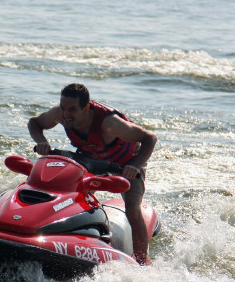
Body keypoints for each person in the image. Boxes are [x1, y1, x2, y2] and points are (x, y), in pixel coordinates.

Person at [27, 83, 157, 265]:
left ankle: (143, 261)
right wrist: (42, 142)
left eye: (72, 110)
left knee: (132, 208)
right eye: (63, 108)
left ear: (86, 107)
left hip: (126, 165)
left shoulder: (110, 124)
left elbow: (149, 138)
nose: (66, 115)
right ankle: (61, 236)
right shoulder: (60, 114)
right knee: (69, 195)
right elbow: (35, 123)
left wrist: (135, 166)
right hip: (90, 159)